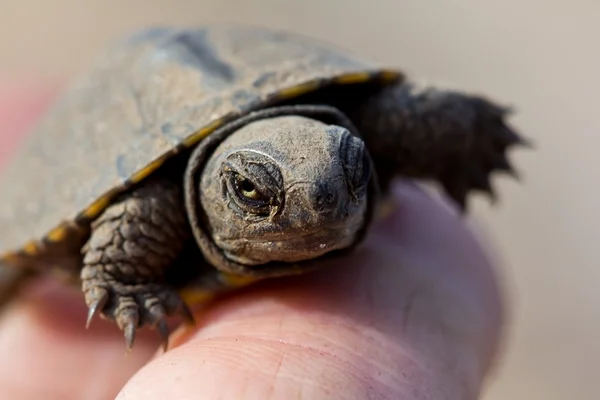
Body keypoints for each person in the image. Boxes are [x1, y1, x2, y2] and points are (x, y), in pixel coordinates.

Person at [0, 85, 506, 399]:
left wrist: (467, 136)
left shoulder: (367, 131)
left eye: (348, 172)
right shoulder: (156, 202)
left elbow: (422, 116)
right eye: (252, 191)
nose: (323, 201)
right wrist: (120, 275)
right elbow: (142, 205)